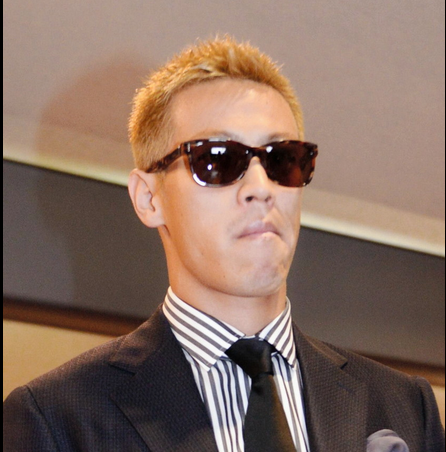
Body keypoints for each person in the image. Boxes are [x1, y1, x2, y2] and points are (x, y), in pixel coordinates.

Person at [3, 36, 444, 452]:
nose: (261, 188)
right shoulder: (57, 420)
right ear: (149, 198)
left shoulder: (404, 406)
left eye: (282, 159)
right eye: (218, 159)